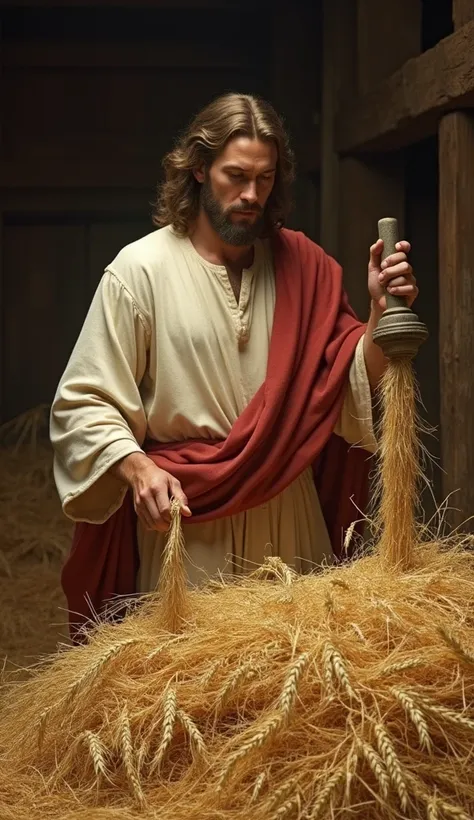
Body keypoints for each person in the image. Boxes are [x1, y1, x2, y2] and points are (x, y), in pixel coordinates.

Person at [50, 93, 418, 635]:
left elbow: (344, 391)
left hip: (290, 527)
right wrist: (137, 468)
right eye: (235, 176)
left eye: (264, 180)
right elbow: (83, 402)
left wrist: (382, 318)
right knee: (197, 702)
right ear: (198, 169)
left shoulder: (307, 267)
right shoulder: (140, 271)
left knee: (302, 705)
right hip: (188, 530)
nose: (251, 195)